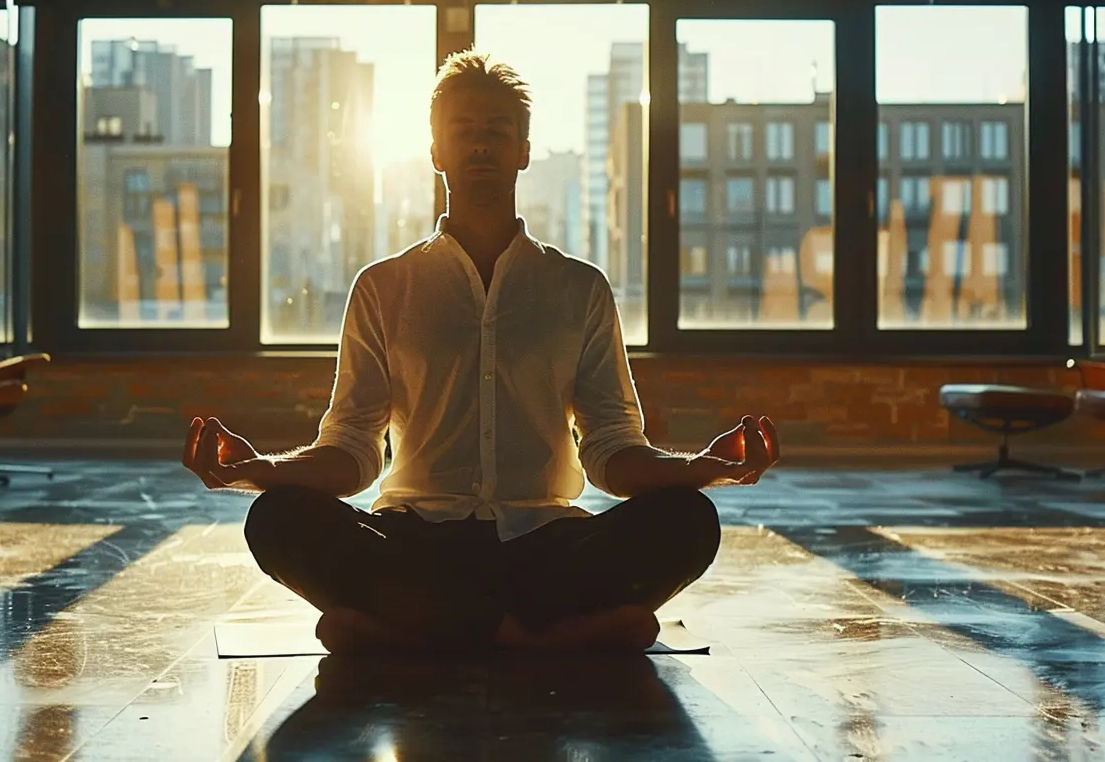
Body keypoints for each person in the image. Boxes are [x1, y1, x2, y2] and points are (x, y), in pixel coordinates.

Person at [183, 49, 779, 653]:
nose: (481, 147)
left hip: (547, 545)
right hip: (415, 542)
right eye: (463, 132)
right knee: (278, 519)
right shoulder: (383, 287)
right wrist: (263, 471)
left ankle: (423, 631)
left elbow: (611, 453)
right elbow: (353, 452)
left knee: (689, 521)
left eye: (498, 131)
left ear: (523, 150)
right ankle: (540, 635)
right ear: (437, 152)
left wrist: (701, 468)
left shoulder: (580, 288)